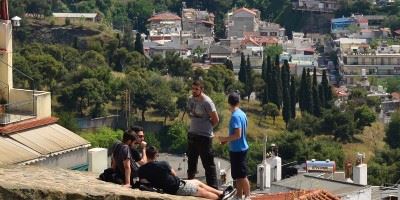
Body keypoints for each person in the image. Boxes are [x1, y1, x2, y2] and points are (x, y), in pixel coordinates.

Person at [138, 146, 236, 200]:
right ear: (156, 155)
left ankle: (222, 193)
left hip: (171, 186)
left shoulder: (141, 170)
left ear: (146, 155)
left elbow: (144, 182)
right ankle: (221, 198)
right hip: (176, 187)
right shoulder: (163, 164)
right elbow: (174, 174)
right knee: (201, 191)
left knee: (196, 181)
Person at [217, 92, 251, 200]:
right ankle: (239, 196)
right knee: (237, 175)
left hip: (238, 149)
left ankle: (248, 196)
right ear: (238, 102)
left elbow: (237, 134)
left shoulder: (235, 116)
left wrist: (224, 139)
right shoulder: (242, 114)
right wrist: (227, 141)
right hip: (240, 147)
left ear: (229, 103)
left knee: (241, 175)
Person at [187, 80, 219, 189]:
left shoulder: (207, 102)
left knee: (208, 165)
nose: (194, 91)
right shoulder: (190, 99)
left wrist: (207, 128)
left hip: (204, 137)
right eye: (193, 88)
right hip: (192, 134)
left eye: (197, 89)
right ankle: (190, 187)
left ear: (202, 89)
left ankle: (213, 189)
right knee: (191, 163)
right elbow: (190, 113)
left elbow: (215, 119)